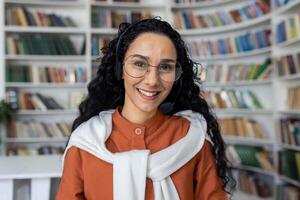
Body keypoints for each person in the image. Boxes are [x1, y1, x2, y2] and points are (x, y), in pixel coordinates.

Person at [56, 18, 234, 200]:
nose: (152, 81)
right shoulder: (85, 142)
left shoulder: (193, 138)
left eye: (165, 67)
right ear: (120, 69)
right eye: (140, 64)